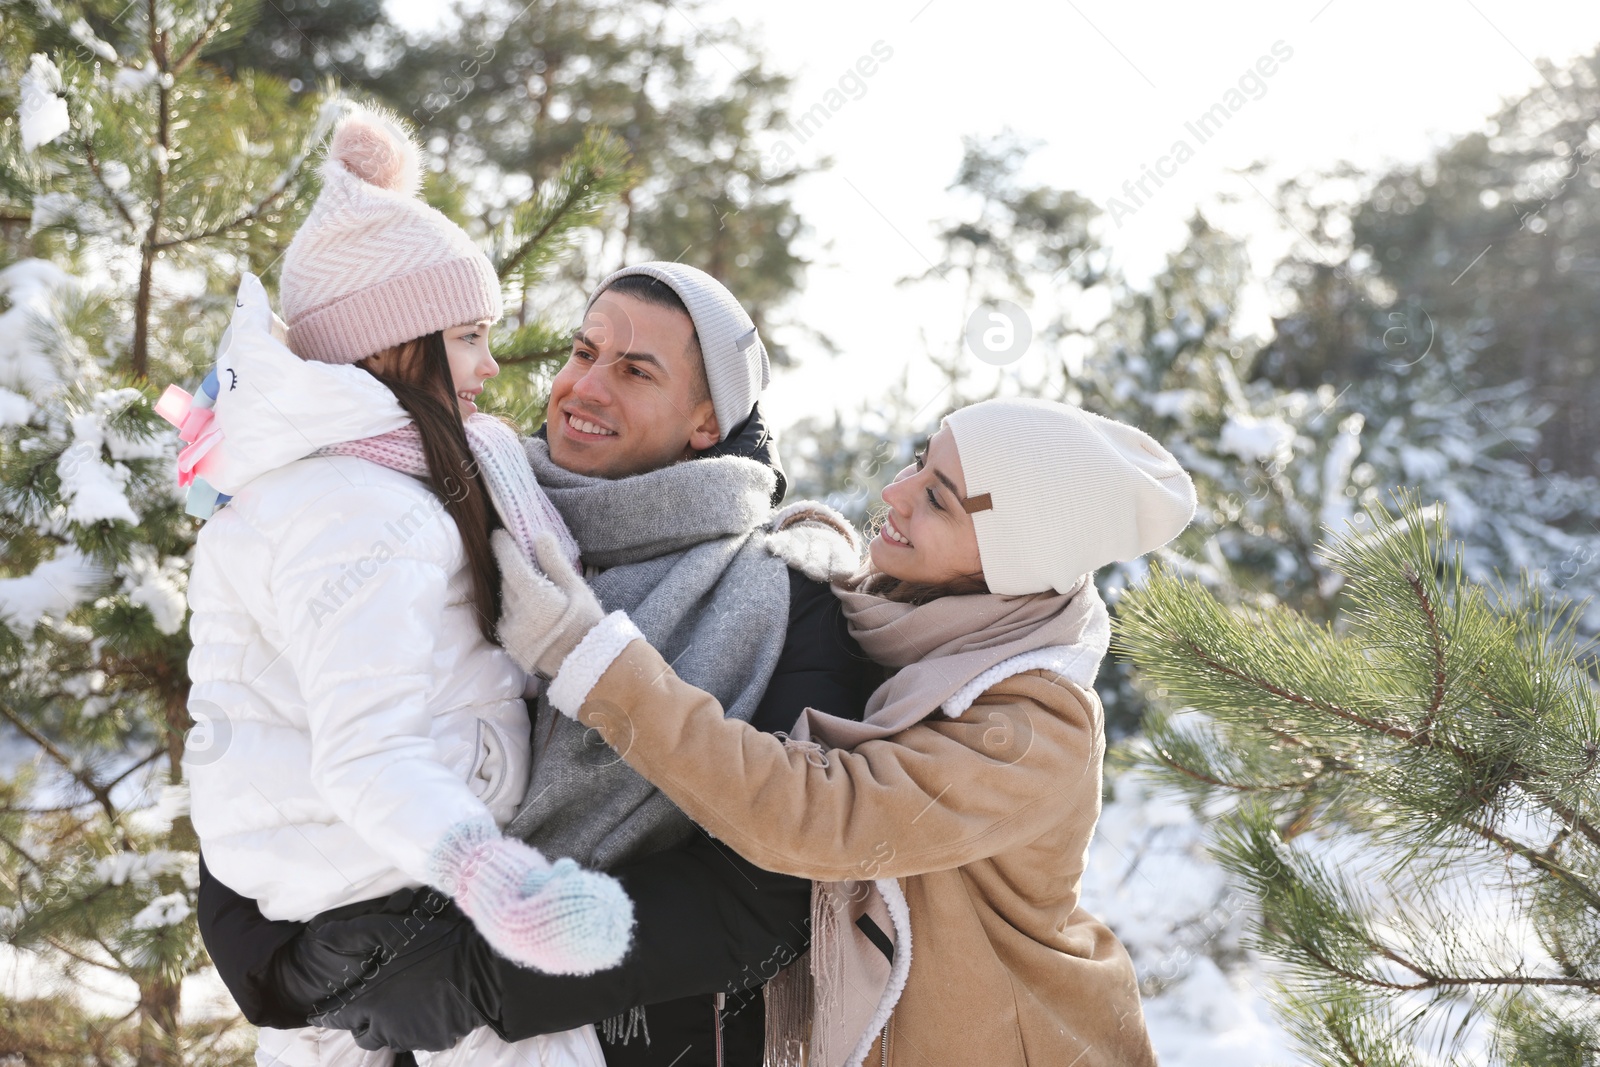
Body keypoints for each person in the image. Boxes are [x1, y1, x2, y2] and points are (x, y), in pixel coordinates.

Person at [193, 123, 881, 1065]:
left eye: (636, 369)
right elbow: (284, 735)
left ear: (707, 418)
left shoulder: (782, 598)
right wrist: (286, 963)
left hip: (631, 1035)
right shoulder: (463, 496)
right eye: (581, 349)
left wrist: (481, 979)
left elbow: (771, 891)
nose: (580, 387)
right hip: (369, 1012)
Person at [490, 397, 1194, 1067]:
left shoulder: (1036, 728)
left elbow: (816, 817)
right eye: (920, 460)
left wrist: (594, 662)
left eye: (939, 496)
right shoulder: (911, 620)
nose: (896, 491)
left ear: (1012, 558)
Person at [180, 104, 635, 1067]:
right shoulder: (359, 508)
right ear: (393, 344)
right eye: (467, 335)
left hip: (335, 886)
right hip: (390, 881)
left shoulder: (345, 478)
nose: (489, 363)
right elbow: (364, 752)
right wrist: (502, 883)